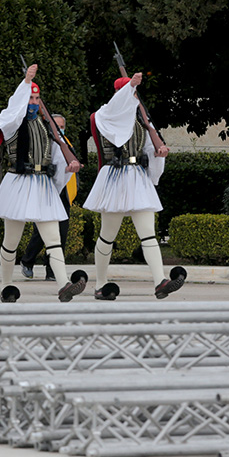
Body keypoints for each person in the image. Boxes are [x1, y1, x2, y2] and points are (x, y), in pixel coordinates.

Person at [0, 64, 86, 302]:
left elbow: (57, 154)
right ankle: (7, 285)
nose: (33, 102)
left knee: (53, 239)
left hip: (42, 184)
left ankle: (63, 285)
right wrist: (25, 83)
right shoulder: (12, 123)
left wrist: (69, 166)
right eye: (30, 98)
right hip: (19, 182)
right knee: (11, 241)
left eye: (36, 98)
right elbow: (12, 109)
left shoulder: (46, 126)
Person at [85, 73, 186, 300]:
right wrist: (129, 86)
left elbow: (149, 148)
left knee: (148, 233)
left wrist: (159, 153)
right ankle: (100, 284)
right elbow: (114, 112)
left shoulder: (141, 121)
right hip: (114, 177)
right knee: (107, 235)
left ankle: (160, 281)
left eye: (133, 94)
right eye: (126, 93)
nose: (131, 97)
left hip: (137, 176)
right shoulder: (104, 115)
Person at [19, 113, 77, 282]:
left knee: (62, 233)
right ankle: (27, 261)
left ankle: (52, 270)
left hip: (63, 194)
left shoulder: (67, 144)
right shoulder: (42, 142)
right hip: (46, 191)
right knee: (41, 232)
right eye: (56, 126)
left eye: (61, 126)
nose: (59, 129)